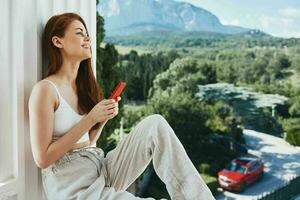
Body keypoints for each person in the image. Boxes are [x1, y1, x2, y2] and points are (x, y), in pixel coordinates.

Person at [28, 12, 215, 200]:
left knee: (154, 124)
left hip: (99, 166)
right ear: (58, 42)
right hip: (73, 184)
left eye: (86, 33)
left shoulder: (80, 87)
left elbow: (87, 141)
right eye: (79, 33)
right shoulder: (45, 90)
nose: (87, 37)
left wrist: (101, 120)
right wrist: (91, 118)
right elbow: (43, 158)